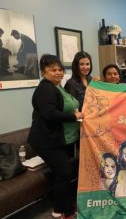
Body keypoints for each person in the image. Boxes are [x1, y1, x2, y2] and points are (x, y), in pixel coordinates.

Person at [27, 54, 84, 219]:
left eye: (60, 69)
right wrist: (75, 117)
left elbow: (63, 107)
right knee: (64, 173)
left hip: (60, 138)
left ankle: (65, 206)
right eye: (53, 70)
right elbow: (50, 114)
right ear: (44, 71)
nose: (58, 72)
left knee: (62, 173)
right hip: (47, 140)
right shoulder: (46, 88)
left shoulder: (57, 87)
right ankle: (60, 210)